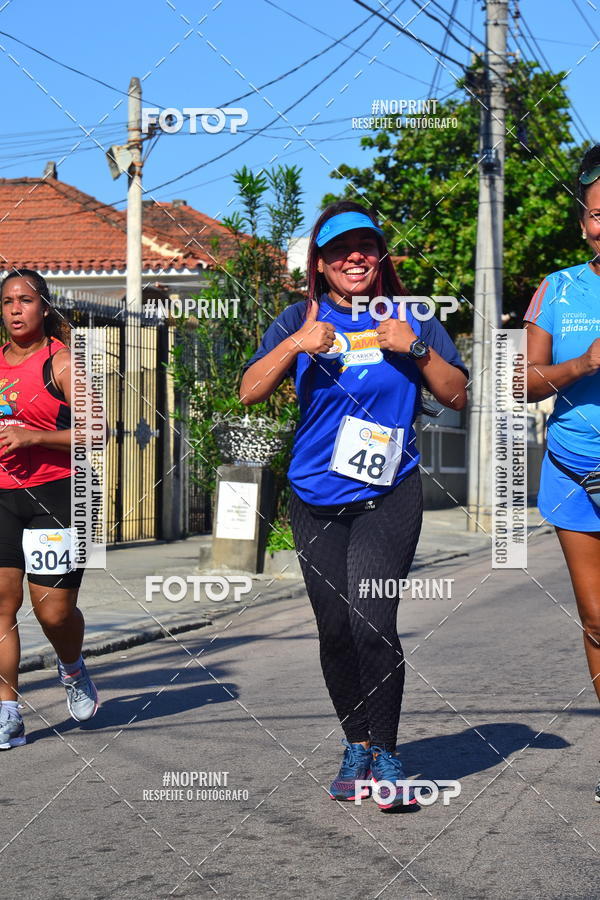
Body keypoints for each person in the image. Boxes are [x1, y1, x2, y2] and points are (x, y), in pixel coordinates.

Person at [240, 201, 468, 810]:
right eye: (341, 250)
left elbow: (459, 395)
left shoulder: (411, 316)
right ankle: (357, 744)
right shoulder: (297, 317)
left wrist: (415, 348)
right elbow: (248, 392)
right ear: (321, 263)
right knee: (335, 629)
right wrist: (296, 345)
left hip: (387, 492)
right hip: (313, 497)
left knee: (372, 617)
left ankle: (389, 754)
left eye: (366, 246)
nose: (356, 257)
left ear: (380, 256)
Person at [524, 146, 600, 804]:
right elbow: (524, 381)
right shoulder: (559, 289)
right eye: (599, 214)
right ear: (584, 224)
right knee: (598, 618)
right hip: (577, 472)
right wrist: (583, 366)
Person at [0, 269, 99, 750]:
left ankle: (73, 666)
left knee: (54, 614)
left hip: (58, 493)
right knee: (1, 603)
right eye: (7, 302)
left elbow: (96, 432)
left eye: (25, 300)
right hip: (1, 494)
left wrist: (32, 435)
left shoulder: (62, 363)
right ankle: (7, 710)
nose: (16, 309)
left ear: (44, 307)